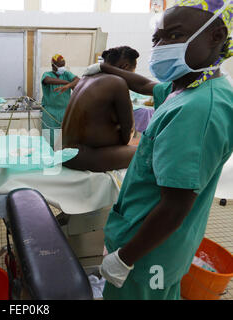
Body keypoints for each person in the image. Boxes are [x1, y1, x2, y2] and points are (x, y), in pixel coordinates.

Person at [83, 0, 232, 299]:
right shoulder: (189, 88)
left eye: (174, 36)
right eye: (157, 38)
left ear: (216, 36)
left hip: (147, 255)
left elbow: (175, 206)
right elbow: (146, 85)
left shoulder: (198, 109)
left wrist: (124, 258)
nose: (162, 46)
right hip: (145, 241)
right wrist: (104, 68)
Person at [60, 46, 140, 172]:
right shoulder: (117, 82)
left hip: (64, 152)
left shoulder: (84, 80)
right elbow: (127, 132)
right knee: (146, 153)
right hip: (84, 156)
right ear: (125, 67)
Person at [41, 54, 79, 147]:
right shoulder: (47, 74)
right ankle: (49, 157)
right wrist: (67, 83)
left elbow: (78, 80)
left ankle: (61, 158)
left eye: (63, 65)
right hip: (50, 112)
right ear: (53, 65)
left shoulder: (66, 74)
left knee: (64, 137)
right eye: (60, 66)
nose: (62, 68)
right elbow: (47, 80)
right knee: (49, 137)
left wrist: (68, 86)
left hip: (64, 111)